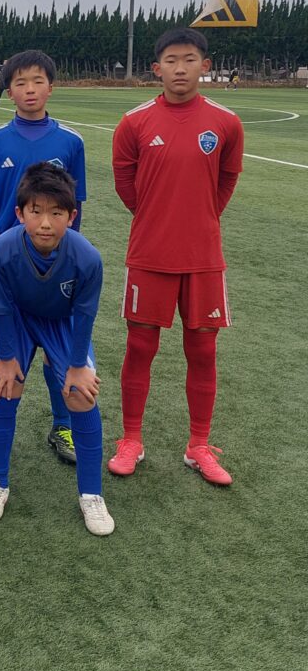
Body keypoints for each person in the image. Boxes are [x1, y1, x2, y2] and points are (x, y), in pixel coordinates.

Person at [108, 28, 243, 486]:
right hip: (150, 253)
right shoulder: (134, 123)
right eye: (171, 60)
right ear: (156, 68)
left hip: (204, 257)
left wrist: (200, 218)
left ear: (205, 66)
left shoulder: (226, 123)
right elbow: (126, 184)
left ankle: (198, 445)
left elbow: (226, 180)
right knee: (140, 347)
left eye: (189, 60)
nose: (180, 68)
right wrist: (156, 217)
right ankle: (131, 439)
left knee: (202, 349)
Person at [0, 162, 113, 536]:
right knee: (5, 385)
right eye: (36, 212)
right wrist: (5, 359)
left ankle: (91, 494)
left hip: (61, 321)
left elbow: (84, 314)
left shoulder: (87, 258)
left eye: (57, 213)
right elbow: (1, 308)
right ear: (20, 214)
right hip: (18, 318)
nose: (46, 223)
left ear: (72, 216)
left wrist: (78, 365)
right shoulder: (3, 249)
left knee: (80, 393)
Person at [0, 49, 86, 465]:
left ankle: (62, 426)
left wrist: (70, 257)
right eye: (20, 82)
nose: (29, 89)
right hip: (6, 263)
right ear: (9, 91)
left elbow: (76, 206)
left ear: (51, 87)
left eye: (37, 81)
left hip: (56, 262)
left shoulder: (70, 141)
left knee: (57, 344)